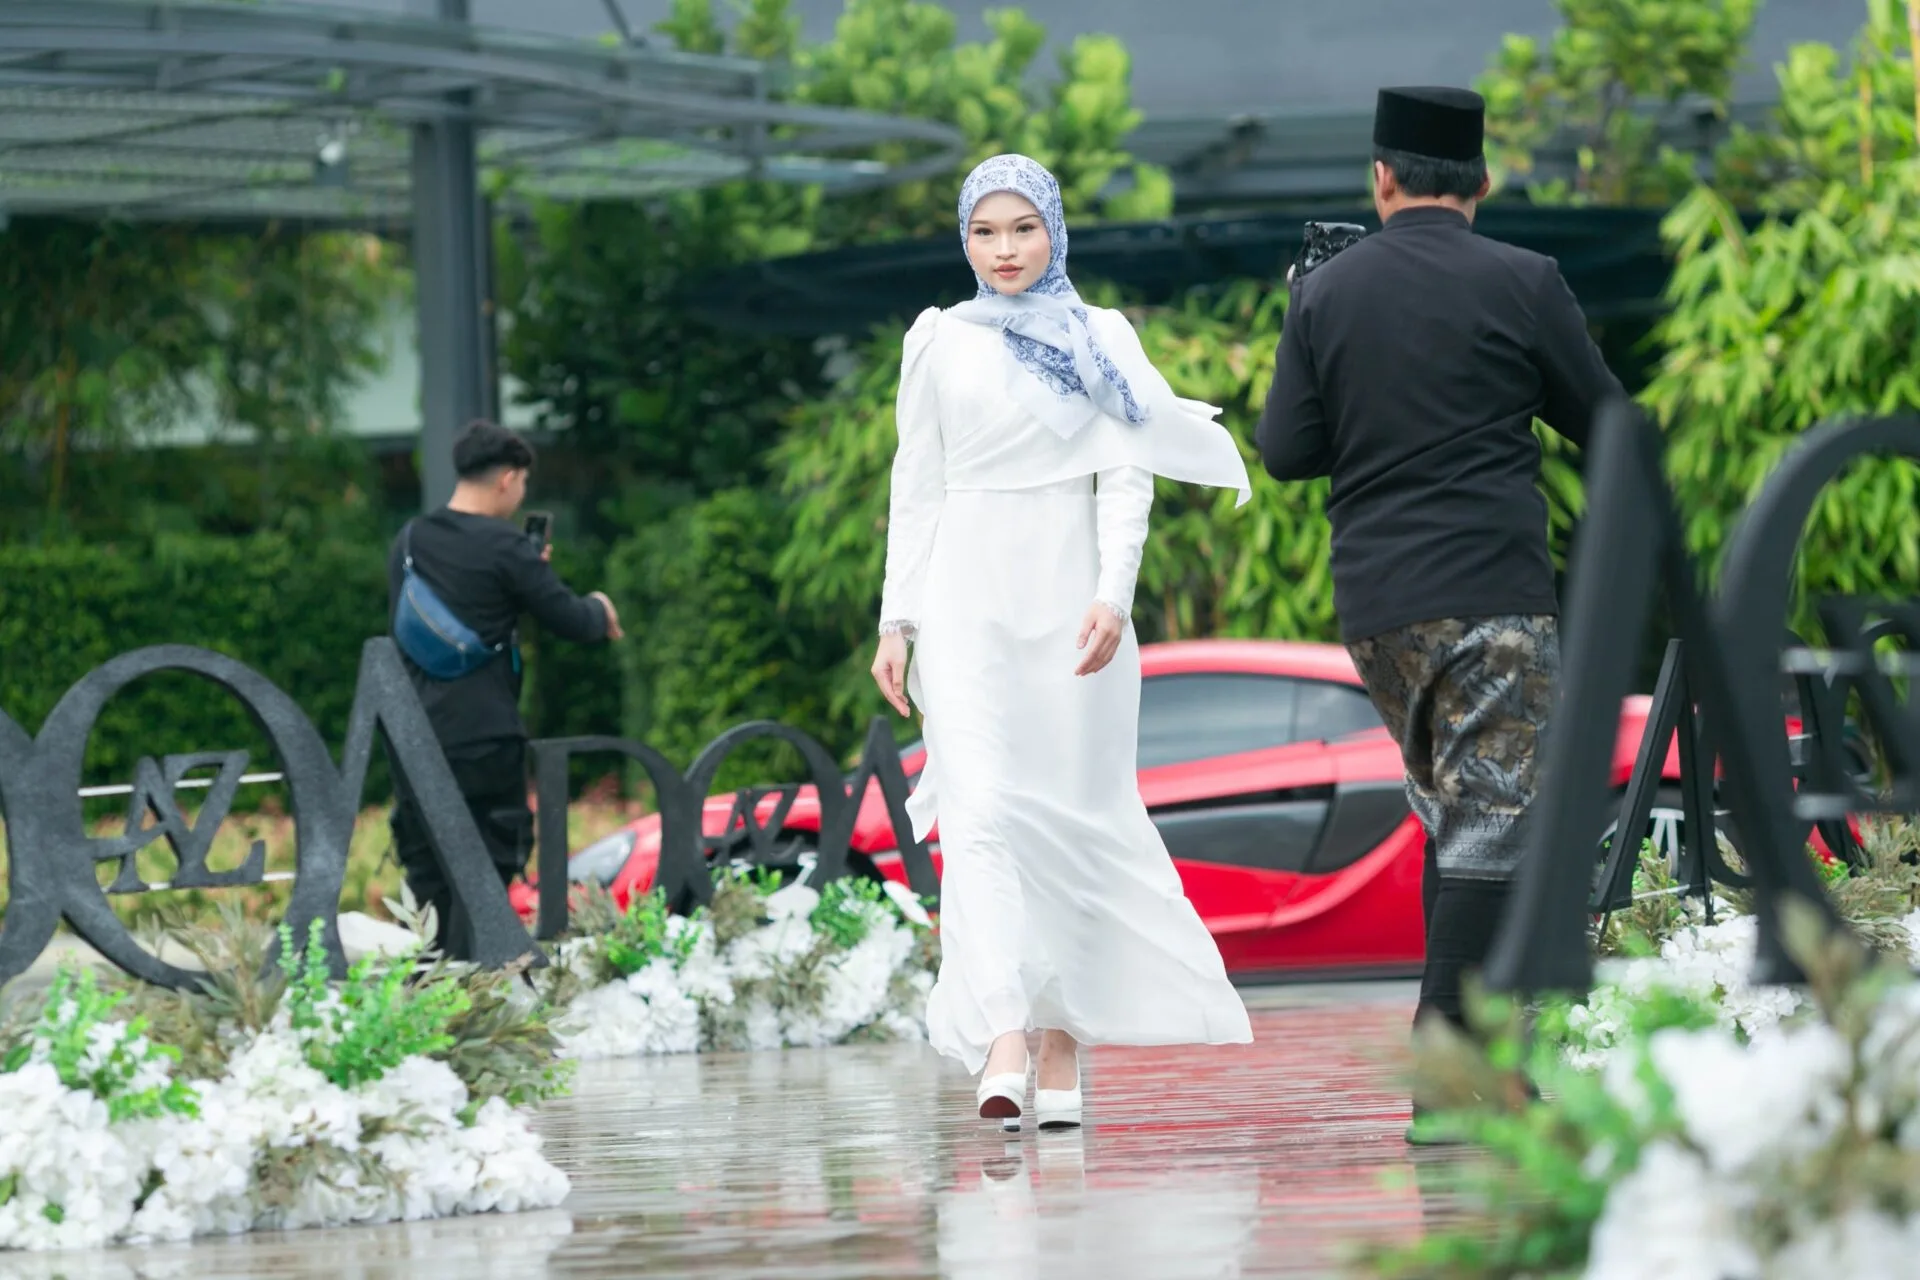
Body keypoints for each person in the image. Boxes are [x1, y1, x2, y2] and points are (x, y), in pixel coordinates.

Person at [1255, 87, 1625, 1120]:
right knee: (1496, 823)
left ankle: (1488, 1069)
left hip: (1379, 613)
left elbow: (1286, 451)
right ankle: (1448, 1071)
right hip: (1491, 593)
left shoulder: (1325, 292)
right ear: (1483, 182)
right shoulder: (1523, 279)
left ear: (1381, 179)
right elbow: (1609, 424)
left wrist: (1310, 313)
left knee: (1456, 817)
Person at [871, 154, 1255, 1131]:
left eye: (1023, 228)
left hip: (1071, 603)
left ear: (1054, 230)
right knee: (981, 810)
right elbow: (916, 484)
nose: (1004, 250)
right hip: (964, 597)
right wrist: (897, 620)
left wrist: (1112, 596)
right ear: (965, 239)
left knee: (1073, 818)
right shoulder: (937, 339)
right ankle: (1004, 1030)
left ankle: (1061, 1038)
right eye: (984, 232)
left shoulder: (1100, 334)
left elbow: (1126, 473)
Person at [386, 420, 624, 958]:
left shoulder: (410, 540)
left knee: (427, 866)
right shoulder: (506, 545)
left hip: (415, 733)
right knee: (491, 863)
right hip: (484, 734)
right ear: (508, 478)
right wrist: (600, 608)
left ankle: (433, 978)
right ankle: (479, 976)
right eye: (522, 484)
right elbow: (571, 619)